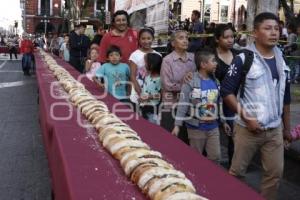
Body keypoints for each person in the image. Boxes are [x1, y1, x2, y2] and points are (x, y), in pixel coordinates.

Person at [220, 12, 293, 200]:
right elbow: (227, 92)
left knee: (274, 174)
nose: (274, 33)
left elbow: (285, 96)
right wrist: (247, 118)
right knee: (236, 174)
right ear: (255, 33)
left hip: (275, 129)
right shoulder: (244, 59)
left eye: (276, 28)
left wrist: (287, 128)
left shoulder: (281, 58)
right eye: (267, 28)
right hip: (247, 130)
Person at [172, 50, 229, 163]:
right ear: (203, 64)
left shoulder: (216, 81)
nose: (216, 63)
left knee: (216, 157)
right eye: (213, 61)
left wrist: (224, 121)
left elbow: (219, 102)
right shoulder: (190, 81)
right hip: (196, 128)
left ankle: (212, 179)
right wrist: (177, 125)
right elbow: (183, 104)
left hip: (213, 127)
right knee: (196, 159)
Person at [160, 30, 196, 144]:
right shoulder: (167, 60)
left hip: (190, 106)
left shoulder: (193, 58)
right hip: (172, 106)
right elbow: (167, 85)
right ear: (173, 43)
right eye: (181, 38)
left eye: (187, 38)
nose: (185, 40)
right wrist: (186, 86)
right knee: (172, 143)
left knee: (189, 142)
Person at [214, 24, 240, 167]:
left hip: (232, 102)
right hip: (212, 102)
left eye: (232, 37)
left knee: (234, 136)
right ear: (217, 39)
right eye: (226, 37)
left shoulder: (238, 56)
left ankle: (233, 167)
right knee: (211, 136)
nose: (230, 40)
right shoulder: (211, 55)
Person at [129, 27, 161, 105]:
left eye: (148, 38)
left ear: (153, 39)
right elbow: (132, 76)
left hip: (153, 95)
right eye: (143, 39)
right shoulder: (135, 55)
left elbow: (159, 76)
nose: (146, 41)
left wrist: (150, 96)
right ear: (139, 40)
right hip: (137, 93)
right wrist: (141, 94)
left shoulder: (158, 55)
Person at [139, 53, 162, 124]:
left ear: (151, 65)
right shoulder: (147, 76)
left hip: (153, 109)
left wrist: (149, 97)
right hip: (143, 107)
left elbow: (161, 95)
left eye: (145, 62)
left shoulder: (160, 79)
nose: (144, 64)